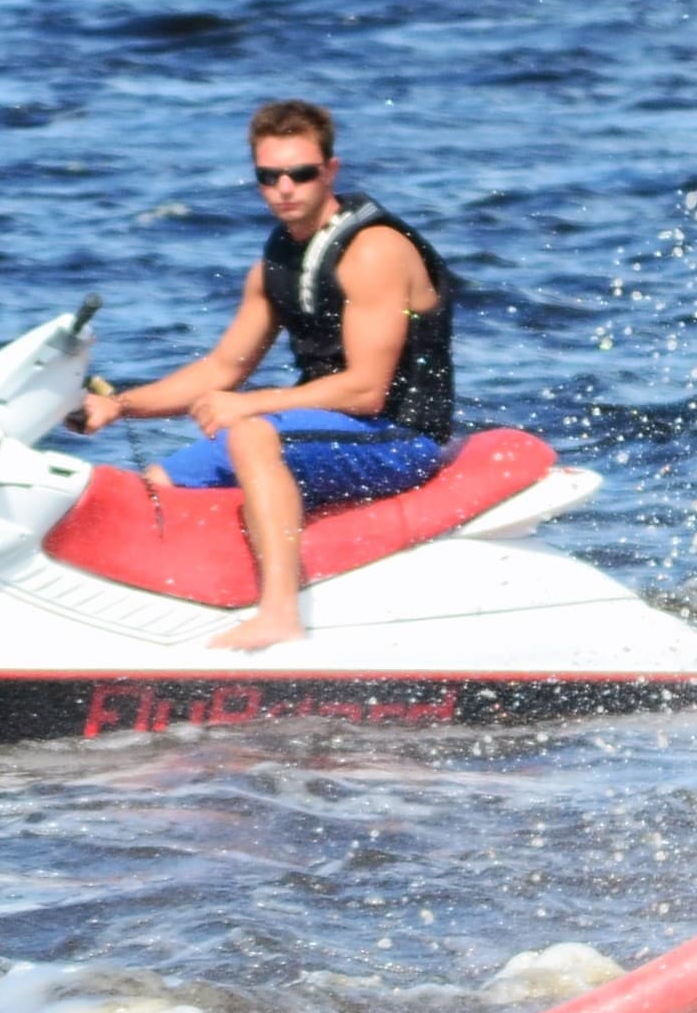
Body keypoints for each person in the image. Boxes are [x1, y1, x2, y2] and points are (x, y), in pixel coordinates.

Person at [69, 100, 456, 652]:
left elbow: (368, 391)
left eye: (300, 173)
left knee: (250, 432)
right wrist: (120, 406)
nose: (285, 187)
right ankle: (159, 614)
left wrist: (249, 406)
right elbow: (223, 367)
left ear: (330, 171)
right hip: (329, 425)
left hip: (400, 439)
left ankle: (279, 616)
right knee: (156, 483)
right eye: (269, 176)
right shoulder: (276, 260)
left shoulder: (373, 251)